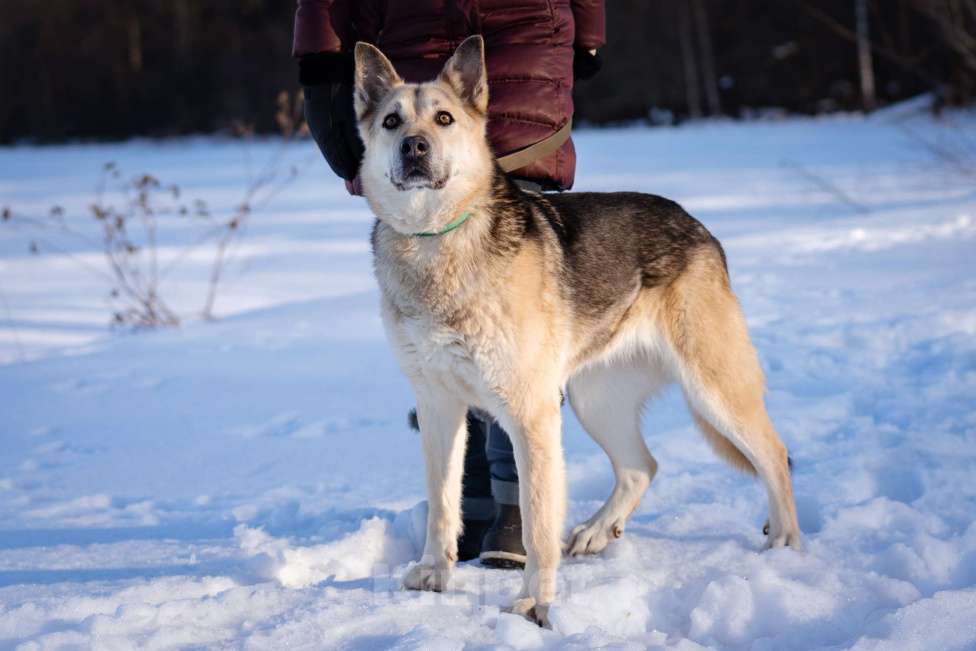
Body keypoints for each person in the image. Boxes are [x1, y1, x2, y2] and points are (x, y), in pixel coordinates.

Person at [293, 0, 605, 568]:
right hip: (499, 35)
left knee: (516, 325)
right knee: (443, 323)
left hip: (496, 40)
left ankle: (511, 508)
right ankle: (478, 504)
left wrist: (318, 60)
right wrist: (586, 34)